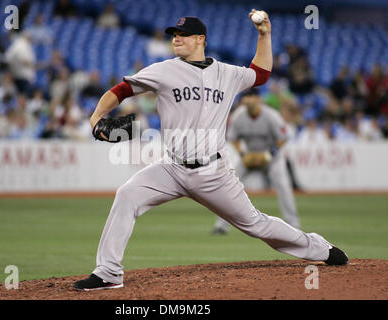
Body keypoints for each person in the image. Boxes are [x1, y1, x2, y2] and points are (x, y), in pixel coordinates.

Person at [73, 12, 348, 292]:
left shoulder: (227, 73)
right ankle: (108, 272)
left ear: (200, 39)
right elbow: (121, 90)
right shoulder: (163, 70)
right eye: (174, 34)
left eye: (182, 34)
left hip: (212, 172)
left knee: (256, 225)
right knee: (127, 194)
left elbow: (261, 74)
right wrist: (96, 117)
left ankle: (318, 248)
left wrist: (264, 34)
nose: (176, 39)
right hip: (171, 168)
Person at [211, 88, 301, 235]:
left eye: (250, 98)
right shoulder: (239, 116)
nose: (247, 102)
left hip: (272, 158)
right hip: (250, 156)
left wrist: (268, 155)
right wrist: (243, 154)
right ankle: (221, 225)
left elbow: (283, 138)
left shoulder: (271, 116)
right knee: (228, 184)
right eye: (245, 99)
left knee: (284, 186)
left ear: (258, 99)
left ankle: (294, 225)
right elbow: (233, 138)